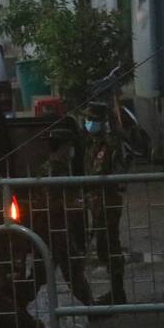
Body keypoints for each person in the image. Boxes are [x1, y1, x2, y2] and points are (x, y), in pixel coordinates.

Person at [32, 129, 94, 307]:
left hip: (54, 226)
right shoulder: (55, 169)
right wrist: (77, 204)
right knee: (66, 268)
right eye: (70, 146)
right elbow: (54, 201)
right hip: (55, 227)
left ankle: (90, 305)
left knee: (53, 270)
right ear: (64, 147)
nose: (72, 150)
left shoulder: (54, 166)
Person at [83, 101, 127, 305]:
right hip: (97, 203)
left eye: (92, 120)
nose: (89, 123)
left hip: (107, 201)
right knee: (104, 247)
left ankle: (118, 293)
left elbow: (99, 172)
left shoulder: (108, 145)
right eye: (88, 119)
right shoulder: (92, 145)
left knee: (110, 246)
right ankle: (116, 291)